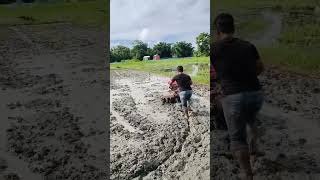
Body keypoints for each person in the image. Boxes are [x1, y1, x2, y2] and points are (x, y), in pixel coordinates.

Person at [212, 13, 264, 180]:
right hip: (256, 93)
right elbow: (260, 68)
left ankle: (247, 174)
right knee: (251, 119)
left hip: (233, 96)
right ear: (233, 28)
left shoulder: (214, 49)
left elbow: (212, 73)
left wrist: (221, 83)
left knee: (237, 139)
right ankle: (255, 146)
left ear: (217, 31)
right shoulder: (248, 45)